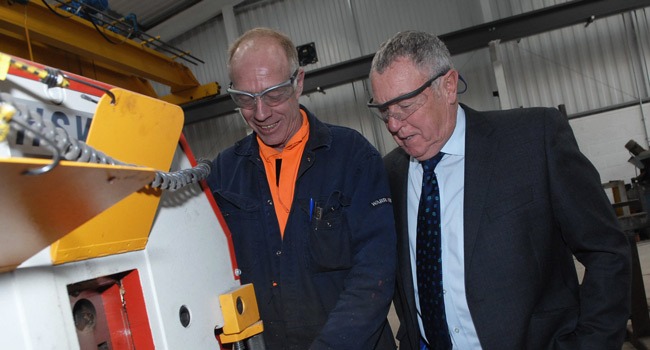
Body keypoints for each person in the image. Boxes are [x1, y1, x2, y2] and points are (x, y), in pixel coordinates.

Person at [368, 30, 631, 350]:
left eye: (405, 106)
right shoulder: (387, 175)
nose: (394, 125)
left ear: (448, 86)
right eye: (384, 112)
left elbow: (607, 251)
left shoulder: (534, 140)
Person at [206, 27, 397, 349]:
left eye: (274, 94)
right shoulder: (223, 173)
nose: (261, 113)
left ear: (298, 83)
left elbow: (375, 271)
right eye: (245, 99)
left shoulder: (352, 156)